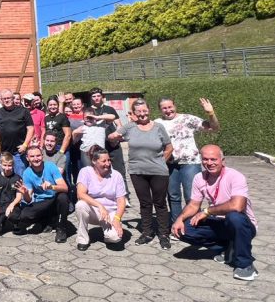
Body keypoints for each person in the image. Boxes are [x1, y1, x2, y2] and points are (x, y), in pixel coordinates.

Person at [172, 145, 258, 281]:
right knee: (183, 229)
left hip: (242, 225)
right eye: (205, 159)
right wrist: (179, 219)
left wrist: (207, 211)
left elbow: (237, 206)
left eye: (213, 159)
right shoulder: (199, 178)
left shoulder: (235, 176)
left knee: (234, 217)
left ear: (222, 160)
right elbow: (194, 204)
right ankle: (229, 247)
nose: (209, 163)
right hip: (219, 222)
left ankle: (245, 264)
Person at [109, 98, 173, 249]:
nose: (143, 114)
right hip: (137, 171)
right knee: (145, 203)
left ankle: (164, 234)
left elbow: (169, 147)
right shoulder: (130, 127)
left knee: (160, 203)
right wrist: (113, 137)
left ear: (149, 110)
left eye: (145, 111)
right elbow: (112, 138)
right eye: (139, 112)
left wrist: (161, 162)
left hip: (158, 171)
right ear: (134, 113)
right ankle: (147, 232)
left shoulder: (158, 127)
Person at [156, 97, 220, 222]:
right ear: (160, 110)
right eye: (164, 108)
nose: (168, 110)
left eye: (170, 107)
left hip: (190, 163)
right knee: (173, 196)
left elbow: (214, 128)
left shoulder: (187, 119)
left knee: (192, 196)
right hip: (169, 164)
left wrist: (211, 113)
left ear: (175, 106)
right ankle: (176, 224)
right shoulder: (157, 123)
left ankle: (191, 224)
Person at [75, 146, 127, 250]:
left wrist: (117, 219)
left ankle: (108, 235)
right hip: (93, 210)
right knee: (80, 205)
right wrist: (100, 206)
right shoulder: (85, 172)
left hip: (110, 212)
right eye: (104, 161)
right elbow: (80, 194)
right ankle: (83, 238)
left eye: (109, 160)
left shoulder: (116, 175)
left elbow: (121, 200)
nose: (108, 163)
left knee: (115, 238)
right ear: (94, 161)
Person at [17, 145, 70, 243]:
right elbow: (28, 200)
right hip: (41, 202)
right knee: (24, 215)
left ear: (42, 155)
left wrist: (51, 187)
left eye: (38, 155)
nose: (36, 159)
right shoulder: (27, 173)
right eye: (32, 156)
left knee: (63, 197)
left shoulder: (51, 166)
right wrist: (25, 194)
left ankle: (61, 228)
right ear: (27, 158)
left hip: (54, 200)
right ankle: (47, 220)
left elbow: (65, 188)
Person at [89, 87, 130, 206]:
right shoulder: (89, 110)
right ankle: (104, 196)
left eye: (98, 96)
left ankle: (124, 196)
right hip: (99, 145)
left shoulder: (109, 109)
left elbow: (118, 124)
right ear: (91, 98)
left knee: (119, 170)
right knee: (100, 171)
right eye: (94, 96)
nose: (96, 98)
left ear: (102, 97)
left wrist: (117, 137)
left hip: (113, 144)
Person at [0, 89, 34, 174]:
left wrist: (25, 145)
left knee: (20, 177)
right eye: (4, 99)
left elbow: (31, 129)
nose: (7, 100)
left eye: (8, 98)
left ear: (13, 98)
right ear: (1, 100)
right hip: (4, 152)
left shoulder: (23, 111)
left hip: (18, 152)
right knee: (5, 178)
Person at [0, 152, 23, 236]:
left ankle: (14, 223)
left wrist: (12, 205)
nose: (7, 168)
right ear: (0, 164)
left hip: (12, 205)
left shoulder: (17, 178)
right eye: (5, 165)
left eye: (9, 165)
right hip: (0, 205)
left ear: (13, 165)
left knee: (14, 216)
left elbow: (19, 196)